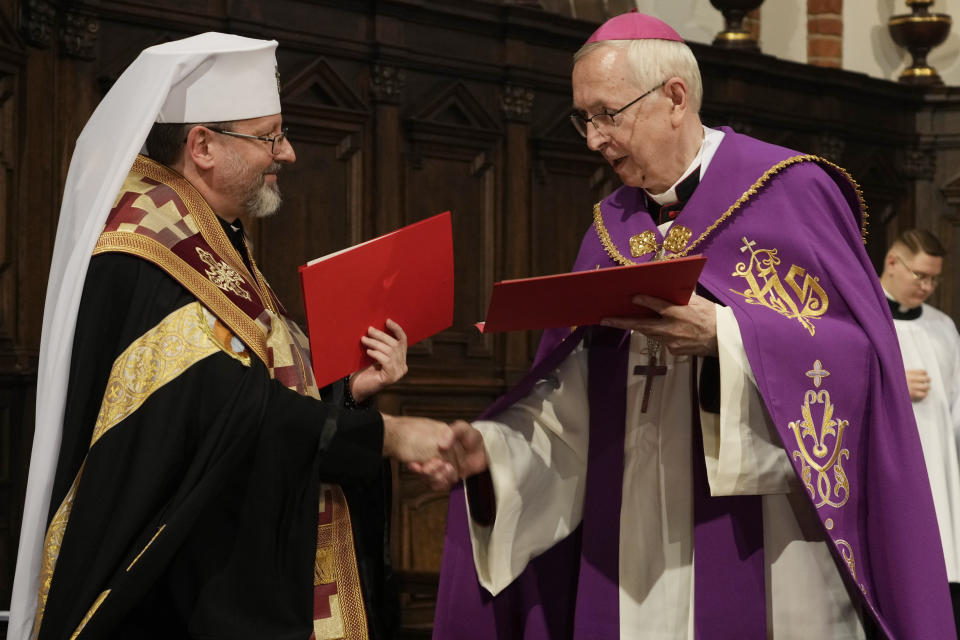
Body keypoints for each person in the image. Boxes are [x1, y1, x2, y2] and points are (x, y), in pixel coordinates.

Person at [428, 12, 956, 640]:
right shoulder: (610, 227)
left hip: (766, 542)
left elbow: (859, 359)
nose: (593, 139)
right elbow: (572, 394)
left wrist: (726, 337)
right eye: (583, 118)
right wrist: (496, 452)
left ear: (674, 99)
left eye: (606, 114)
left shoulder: (792, 190)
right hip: (629, 544)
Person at [8, 33, 455, 640]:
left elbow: (241, 399)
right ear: (203, 145)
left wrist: (348, 394)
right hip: (179, 600)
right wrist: (385, 434)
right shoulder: (146, 252)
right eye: (270, 135)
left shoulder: (204, 231)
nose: (288, 152)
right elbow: (226, 416)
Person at [879, 228, 960, 632]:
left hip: (942, 475)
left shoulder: (944, 327)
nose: (927, 287)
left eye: (934, 279)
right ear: (893, 262)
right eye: (920, 276)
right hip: (887, 472)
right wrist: (888, 383)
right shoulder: (861, 317)